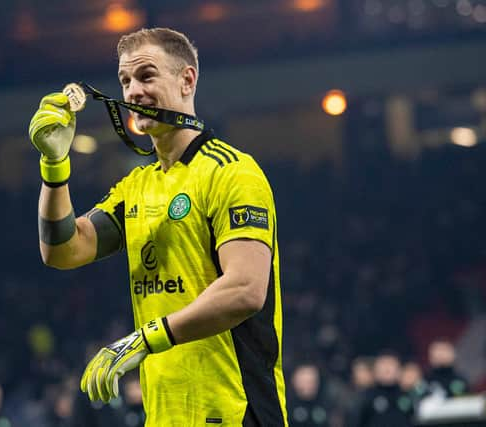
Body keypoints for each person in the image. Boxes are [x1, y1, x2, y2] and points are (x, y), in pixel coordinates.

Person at [29, 27, 287, 426]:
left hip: (237, 413)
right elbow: (62, 250)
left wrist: (146, 338)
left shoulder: (232, 173)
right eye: (125, 81)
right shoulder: (137, 187)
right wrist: (54, 168)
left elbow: (246, 290)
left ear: (187, 80)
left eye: (146, 76)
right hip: (165, 416)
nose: (132, 91)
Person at [350, 351, 414, 427]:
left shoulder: (408, 395)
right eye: (383, 365)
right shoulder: (365, 396)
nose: (387, 369)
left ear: (399, 369)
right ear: (375, 370)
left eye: (391, 365)